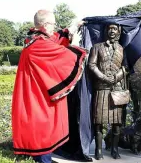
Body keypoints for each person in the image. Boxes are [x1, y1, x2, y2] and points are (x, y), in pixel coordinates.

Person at [11, 9, 87, 163]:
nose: (54, 27)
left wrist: (71, 29)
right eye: (52, 24)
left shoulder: (36, 39)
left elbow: (54, 39)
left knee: (41, 133)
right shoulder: (38, 45)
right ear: (45, 25)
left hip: (34, 95)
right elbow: (64, 55)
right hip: (36, 99)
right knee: (41, 134)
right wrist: (74, 45)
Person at [88, 23, 128, 160]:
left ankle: (114, 150)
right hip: (101, 88)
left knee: (117, 123)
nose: (112, 31)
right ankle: (98, 150)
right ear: (106, 31)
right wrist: (104, 77)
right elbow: (91, 65)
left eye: (115, 29)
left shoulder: (122, 49)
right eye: (110, 28)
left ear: (118, 32)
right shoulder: (97, 47)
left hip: (116, 90)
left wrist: (116, 77)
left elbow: (125, 68)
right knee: (98, 121)